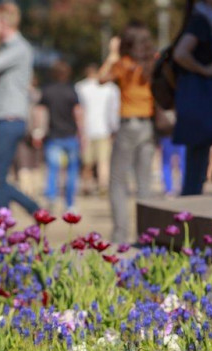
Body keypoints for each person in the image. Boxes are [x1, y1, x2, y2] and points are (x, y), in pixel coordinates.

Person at [0, 2, 40, 216]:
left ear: (3, 24)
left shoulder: (19, 48)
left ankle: (33, 209)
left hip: (9, 119)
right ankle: (4, 223)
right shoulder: (7, 49)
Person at [99, 23, 157, 243]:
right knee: (144, 183)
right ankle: (146, 234)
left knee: (117, 181)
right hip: (149, 125)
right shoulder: (154, 62)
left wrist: (112, 53)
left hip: (129, 125)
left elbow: (101, 78)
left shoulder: (124, 64)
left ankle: (120, 234)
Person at [173, 0, 212, 196]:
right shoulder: (202, 21)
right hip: (200, 101)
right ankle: (188, 215)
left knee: (198, 162)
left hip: (200, 101)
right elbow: (180, 53)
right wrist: (206, 70)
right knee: (196, 165)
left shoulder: (206, 19)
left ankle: (189, 212)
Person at [39, 61, 83, 213]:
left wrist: (38, 132)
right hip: (70, 135)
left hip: (53, 136)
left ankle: (51, 197)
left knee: (52, 170)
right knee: (72, 171)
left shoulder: (47, 91)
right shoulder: (72, 91)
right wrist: (82, 134)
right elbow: (78, 114)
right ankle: (70, 203)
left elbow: (41, 113)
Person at [75, 64, 119, 196]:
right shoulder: (111, 88)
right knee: (103, 161)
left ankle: (87, 186)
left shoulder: (80, 87)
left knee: (87, 162)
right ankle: (103, 187)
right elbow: (114, 111)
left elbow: (79, 110)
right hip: (104, 129)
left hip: (86, 130)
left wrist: (79, 129)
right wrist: (114, 128)